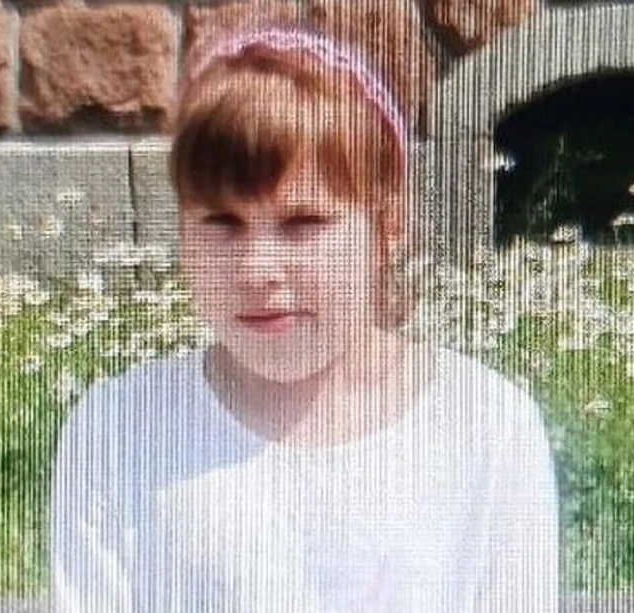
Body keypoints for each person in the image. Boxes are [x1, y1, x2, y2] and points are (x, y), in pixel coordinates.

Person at [49, 25, 560, 612]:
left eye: (304, 223)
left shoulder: (485, 427)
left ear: (387, 228)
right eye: (222, 223)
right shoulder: (122, 433)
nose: (257, 269)